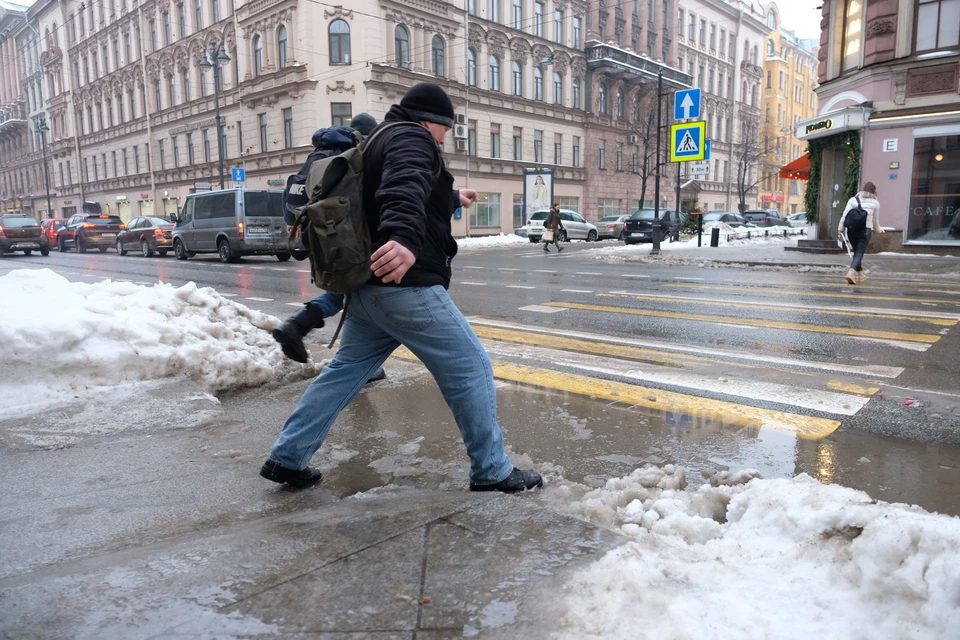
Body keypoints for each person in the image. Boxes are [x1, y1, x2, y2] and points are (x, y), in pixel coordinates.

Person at [260, 82, 543, 493]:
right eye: (446, 129)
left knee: (343, 373)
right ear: (434, 121)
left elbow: (397, 189)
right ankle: (492, 470)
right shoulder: (413, 137)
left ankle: (287, 457)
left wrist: (449, 196)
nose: (446, 137)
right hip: (405, 286)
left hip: (367, 289)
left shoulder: (380, 138)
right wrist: (405, 239)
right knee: (471, 367)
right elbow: (403, 188)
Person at [273, 113, 386, 384]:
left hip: (319, 238)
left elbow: (292, 196)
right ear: (367, 135)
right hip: (349, 238)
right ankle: (301, 329)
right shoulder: (356, 154)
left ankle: (300, 328)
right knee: (355, 293)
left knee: (347, 292)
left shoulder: (318, 156)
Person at [838, 181, 883, 285]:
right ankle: (851, 272)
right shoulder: (875, 203)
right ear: (874, 191)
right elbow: (875, 221)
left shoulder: (853, 200)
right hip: (865, 231)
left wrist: (840, 229)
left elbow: (845, 216)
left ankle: (861, 275)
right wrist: (878, 230)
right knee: (859, 252)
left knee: (857, 253)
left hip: (851, 230)